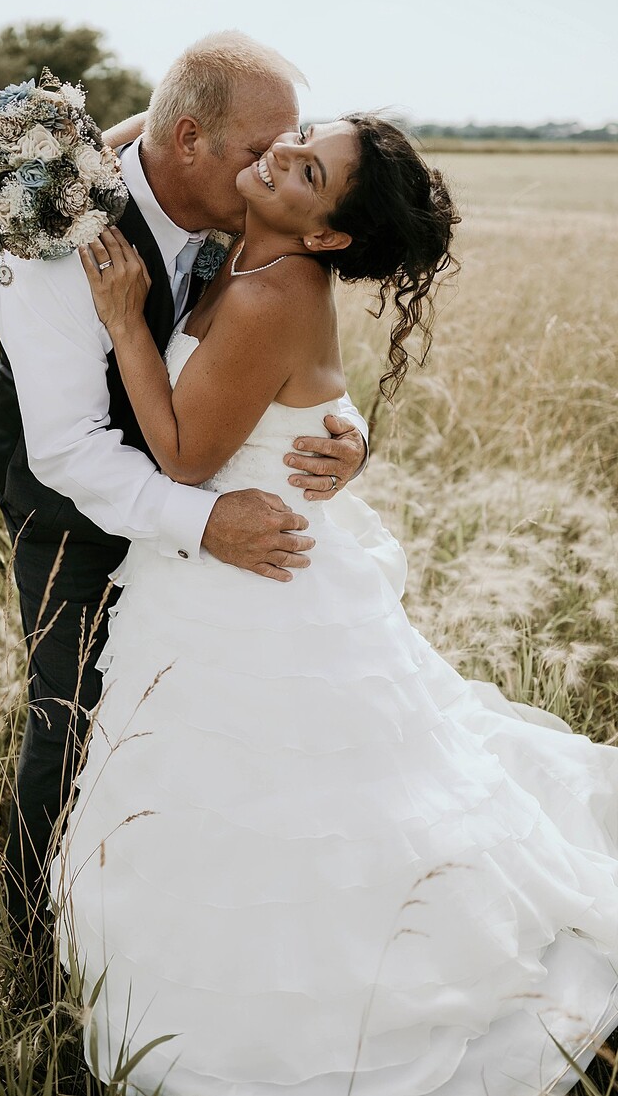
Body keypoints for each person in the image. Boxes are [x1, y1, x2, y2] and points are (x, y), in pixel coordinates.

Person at [50, 115, 618, 1095]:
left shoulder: (272, 290)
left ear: (324, 234)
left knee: (284, 805)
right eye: (302, 134)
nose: (280, 150)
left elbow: (183, 456)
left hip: (254, 578)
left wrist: (123, 320)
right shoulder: (256, 253)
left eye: (307, 167)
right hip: (229, 562)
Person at [0, 32, 369, 955]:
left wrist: (349, 436)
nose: (276, 162)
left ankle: (172, 923)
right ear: (190, 139)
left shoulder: (253, 211)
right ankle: (32, 932)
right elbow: (69, 449)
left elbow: (291, 358)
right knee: (73, 711)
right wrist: (205, 521)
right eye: (262, 147)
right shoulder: (57, 244)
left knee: (187, 721)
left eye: (295, 143)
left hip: (205, 500)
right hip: (75, 509)